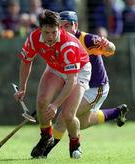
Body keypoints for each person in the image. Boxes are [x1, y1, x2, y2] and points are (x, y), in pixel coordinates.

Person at [43, 11, 129, 157]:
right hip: (78, 85)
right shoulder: (58, 42)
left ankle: (46, 151)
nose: (64, 29)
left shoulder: (87, 39)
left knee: (66, 116)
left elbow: (112, 49)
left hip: (96, 87)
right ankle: (117, 112)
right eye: (61, 26)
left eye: (68, 25)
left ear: (75, 25)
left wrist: (108, 44)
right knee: (81, 123)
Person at [14, 9, 92, 159]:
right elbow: (26, 61)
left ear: (59, 29)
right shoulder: (34, 38)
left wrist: (56, 105)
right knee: (42, 101)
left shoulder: (68, 45)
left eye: (53, 32)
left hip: (79, 71)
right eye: (46, 32)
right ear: (40, 29)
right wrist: (22, 87)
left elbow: (71, 81)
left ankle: (75, 143)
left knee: (68, 115)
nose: (50, 37)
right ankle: (46, 138)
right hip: (55, 67)